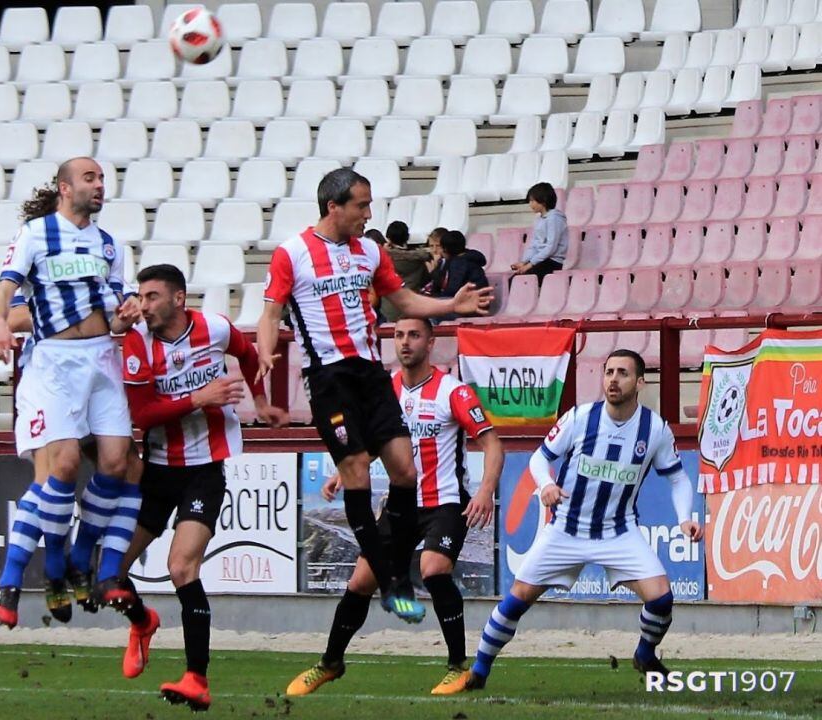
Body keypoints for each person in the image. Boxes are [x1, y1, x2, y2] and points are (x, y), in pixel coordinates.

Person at [256, 168, 494, 628]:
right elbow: (271, 313)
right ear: (334, 207)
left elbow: (402, 302)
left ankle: (394, 572)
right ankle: (390, 582)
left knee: (405, 471)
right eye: (361, 206)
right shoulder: (293, 253)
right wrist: (267, 349)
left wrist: (450, 306)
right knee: (358, 471)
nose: (368, 214)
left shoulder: (369, 251)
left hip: (369, 372)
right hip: (329, 378)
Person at [458, 349, 703, 692]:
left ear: (640, 382)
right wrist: (546, 485)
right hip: (566, 529)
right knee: (517, 599)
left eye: (623, 373)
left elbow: (677, 477)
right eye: (609, 372)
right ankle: (479, 672)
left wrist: (684, 519)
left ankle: (644, 653)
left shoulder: (655, 429)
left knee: (661, 597)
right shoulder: (581, 418)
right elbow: (540, 460)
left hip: (618, 532)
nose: (613, 380)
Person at [286, 317, 504, 697]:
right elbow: (373, 443)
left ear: (431, 341)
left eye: (414, 335)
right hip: (400, 505)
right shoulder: (384, 392)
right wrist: (346, 470)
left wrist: (485, 490)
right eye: (399, 335)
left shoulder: (453, 392)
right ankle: (330, 663)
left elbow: (493, 443)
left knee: (433, 568)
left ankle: (457, 666)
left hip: (445, 503)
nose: (405, 343)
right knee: (360, 582)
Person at [112, 264, 288, 711]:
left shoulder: (214, 328)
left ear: (177, 299)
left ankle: (197, 678)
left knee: (181, 568)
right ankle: (142, 621)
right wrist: (199, 398)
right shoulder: (137, 344)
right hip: (156, 471)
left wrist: (262, 401)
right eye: (141, 296)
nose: (143, 305)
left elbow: (248, 355)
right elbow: (143, 415)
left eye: (152, 297)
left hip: (204, 469)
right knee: (108, 571)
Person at [0, 157, 143, 628]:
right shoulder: (37, 235)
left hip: (100, 359)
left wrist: (129, 311)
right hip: (53, 363)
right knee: (65, 465)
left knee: (118, 461)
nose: (99, 186)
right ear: (64, 187)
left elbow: (117, 307)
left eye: (102, 178)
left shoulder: (111, 245)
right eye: (90, 178)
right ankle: (29, 574)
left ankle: (77, 557)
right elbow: (7, 290)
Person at [511, 182, 568, 286]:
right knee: (514, 281)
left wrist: (529, 265)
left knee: (522, 282)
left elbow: (551, 247)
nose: (530, 204)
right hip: (540, 260)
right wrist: (524, 262)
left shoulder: (554, 219)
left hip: (552, 262)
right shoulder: (538, 220)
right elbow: (534, 244)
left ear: (544, 200)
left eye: (533, 201)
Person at [430, 230, 489, 322]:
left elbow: (452, 290)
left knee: (429, 309)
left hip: (471, 308)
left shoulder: (460, 264)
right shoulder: (456, 260)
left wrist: (434, 299)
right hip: (469, 304)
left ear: (446, 249)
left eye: (440, 247)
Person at [380, 221, 431, 323]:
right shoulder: (419, 259)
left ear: (388, 238)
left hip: (389, 308)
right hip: (412, 305)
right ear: (407, 237)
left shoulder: (383, 258)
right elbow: (425, 280)